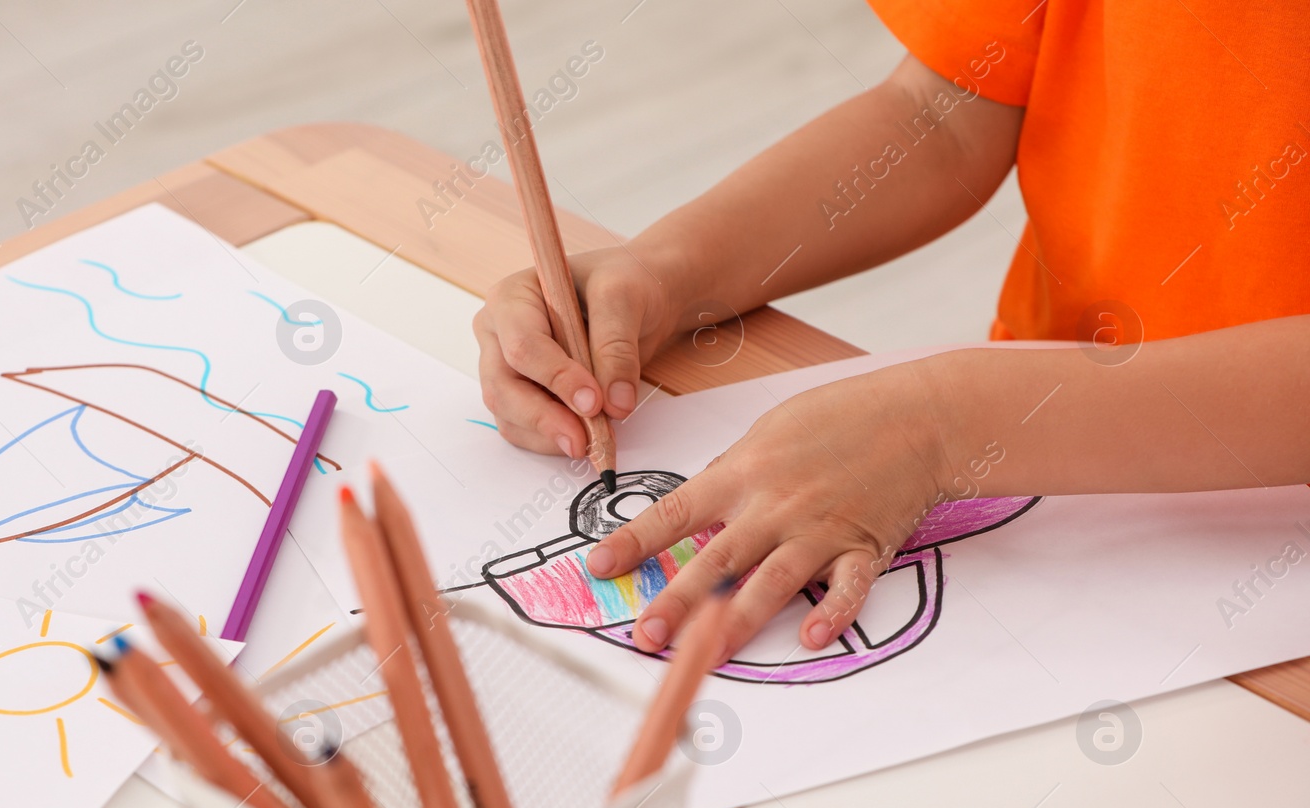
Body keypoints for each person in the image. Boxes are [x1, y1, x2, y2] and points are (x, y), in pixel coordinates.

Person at [473, 1, 1310, 662]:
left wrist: (942, 425)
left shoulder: (955, 426)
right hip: (1048, 484)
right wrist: (665, 275)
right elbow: (949, 108)